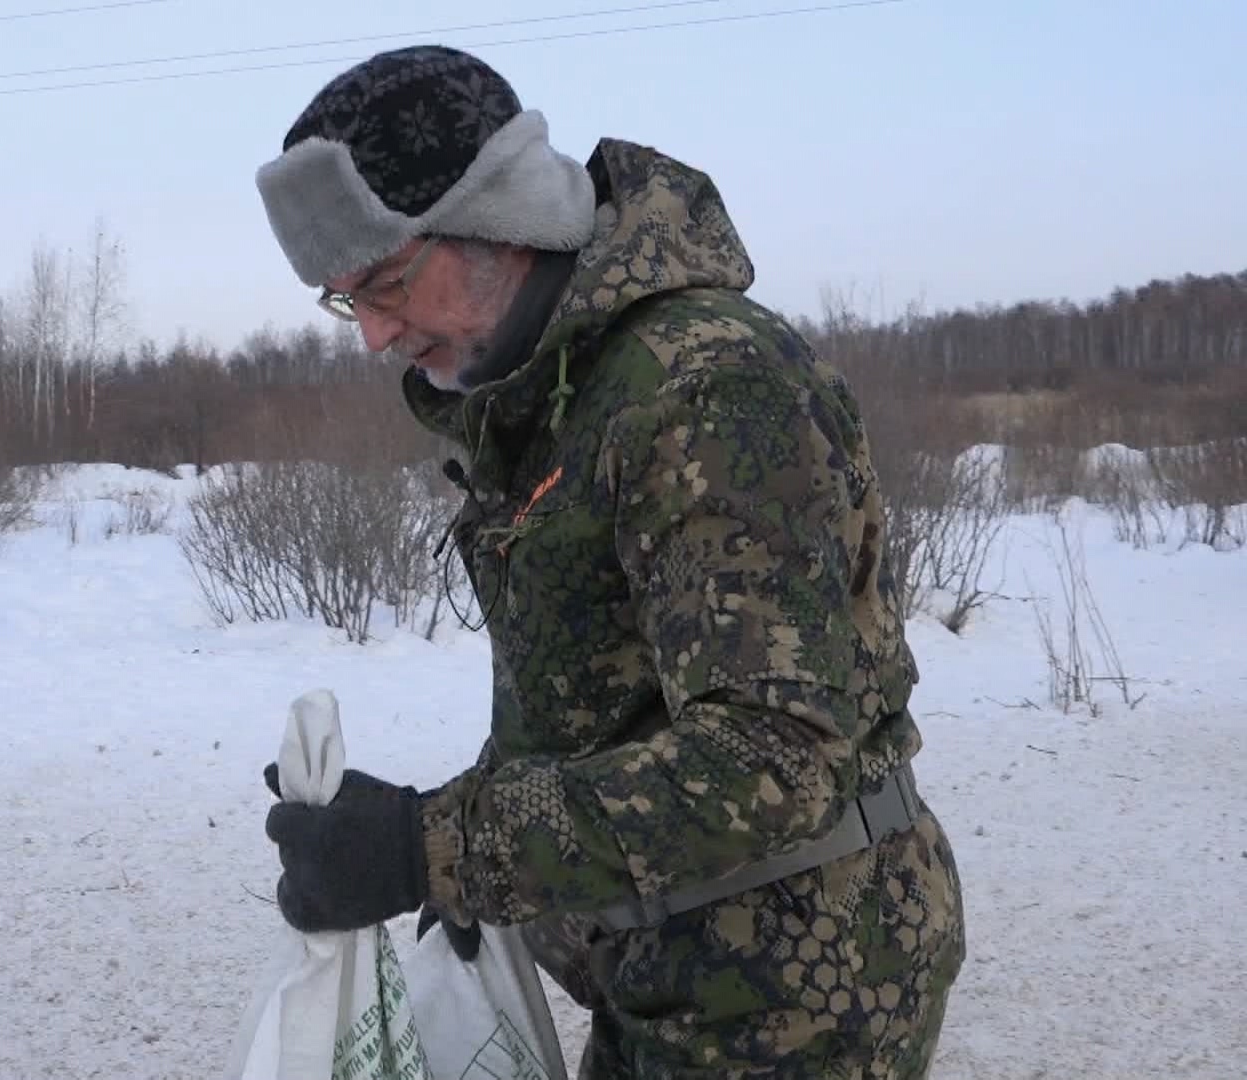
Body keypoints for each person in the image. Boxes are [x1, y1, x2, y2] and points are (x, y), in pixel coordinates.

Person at [250, 45, 966, 1079]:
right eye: (342, 299)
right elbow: (608, 704)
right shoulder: (554, 393)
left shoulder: (705, 389)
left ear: (500, 217)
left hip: (796, 990)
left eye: (387, 282)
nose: (369, 335)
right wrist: (409, 836)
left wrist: (434, 849)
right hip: (673, 965)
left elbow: (773, 755)